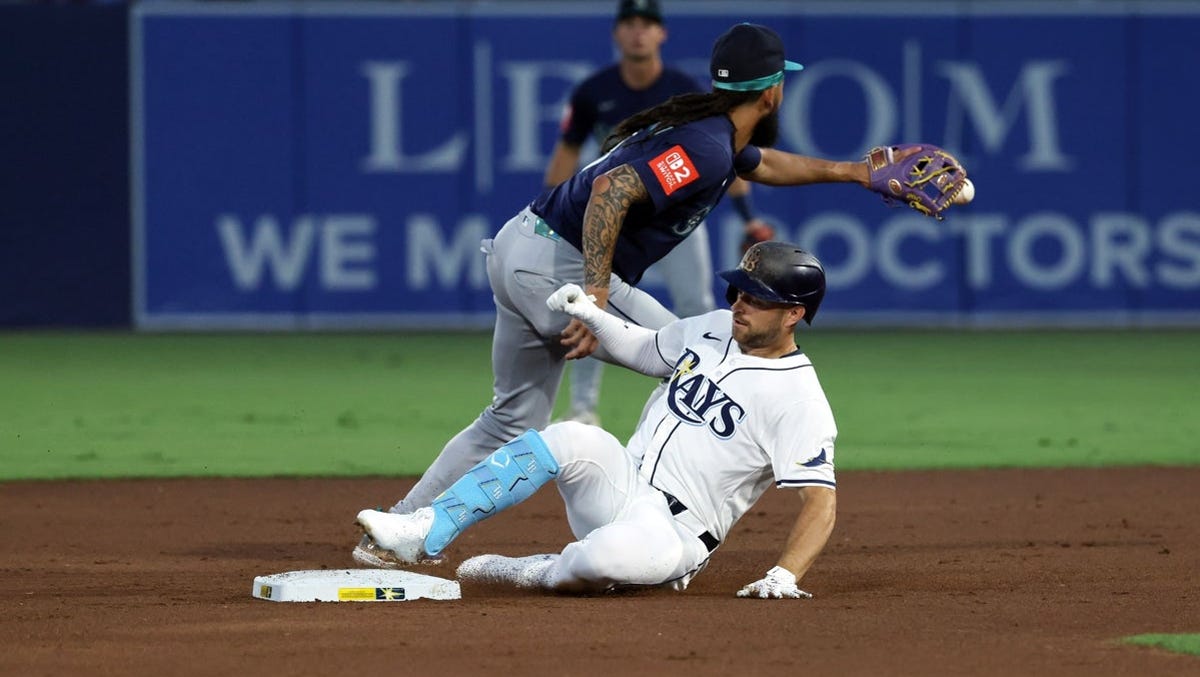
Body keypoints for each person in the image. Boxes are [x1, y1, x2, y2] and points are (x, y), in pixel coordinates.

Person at [351, 21, 892, 570]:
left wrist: (855, 174)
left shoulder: (713, 134)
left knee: (510, 419)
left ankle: (402, 527)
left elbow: (764, 162)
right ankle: (675, 512)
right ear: (774, 89)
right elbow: (612, 191)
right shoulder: (706, 146)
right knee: (691, 353)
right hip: (555, 268)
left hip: (521, 248)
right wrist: (596, 296)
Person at [357, 241, 836, 596]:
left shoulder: (799, 399)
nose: (739, 303)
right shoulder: (713, 327)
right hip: (622, 482)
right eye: (739, 291)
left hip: (675, 534)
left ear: (793, 313)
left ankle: (538, 569)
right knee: (571, 435)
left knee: (605, 558)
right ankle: (423, 530)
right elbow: (648, 351)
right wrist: (589, 311)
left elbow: (820, 502)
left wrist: (785, 574)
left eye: (756, 297)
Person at [545, 0, 774, 426]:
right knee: (592, 305)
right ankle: (583, 407)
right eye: (629, 24)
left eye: (647, 24)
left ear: (661, 34)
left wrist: (747, 216)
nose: (638, 32)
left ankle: (701, 399)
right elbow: (566, 155)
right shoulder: (594, 91)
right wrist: (555, 222)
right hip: (618, 218)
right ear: (617, 33)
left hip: (673, 221)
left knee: (696, 304)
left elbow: (730, 153)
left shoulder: (681, 88)